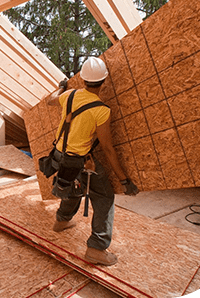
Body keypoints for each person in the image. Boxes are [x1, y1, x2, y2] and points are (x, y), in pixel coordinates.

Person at [47, 57, 139, 267]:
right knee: (104, 196)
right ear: (104, 81)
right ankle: (96, 249)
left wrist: (61, 88)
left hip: (60, 156)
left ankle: (61, 221)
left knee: (71, 183)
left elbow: (49, 101)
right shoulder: (101, 110)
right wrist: (124, 180)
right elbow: (107, 148)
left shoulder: (69, 95)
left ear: (82, 79)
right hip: (79, 159)